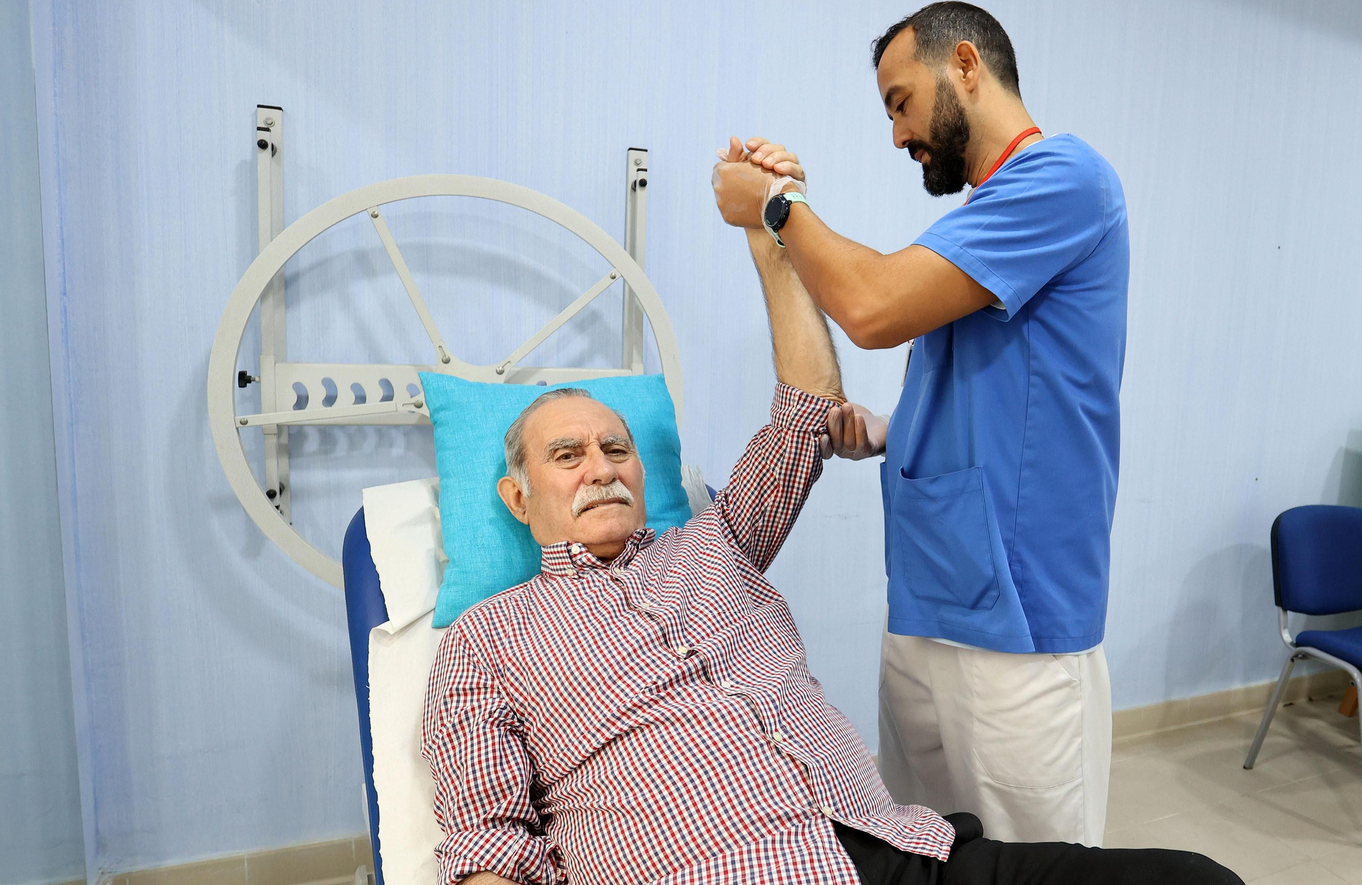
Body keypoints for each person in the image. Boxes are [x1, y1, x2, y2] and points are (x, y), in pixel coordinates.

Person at [418, 207, 1225, 885]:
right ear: (516, 497)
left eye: (617, 449)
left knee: (1201, 881)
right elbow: (491, 844)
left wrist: (769, 243)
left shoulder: (717, 540)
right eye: (568, 456)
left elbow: (807, 408)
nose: (602, 469)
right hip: (706, 870)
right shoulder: (488, 641)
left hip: (893, 852)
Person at [710, 0, 1128, 845]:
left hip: (1021, 617)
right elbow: (998, 387)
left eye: (900, 102)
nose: (898, 135)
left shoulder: (1065, 180)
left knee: (1030, 864)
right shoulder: (981, 216)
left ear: (965, 65)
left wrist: (779, 207)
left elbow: (870, 306)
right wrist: (891, 429)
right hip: (928, 599)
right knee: (923, 853)